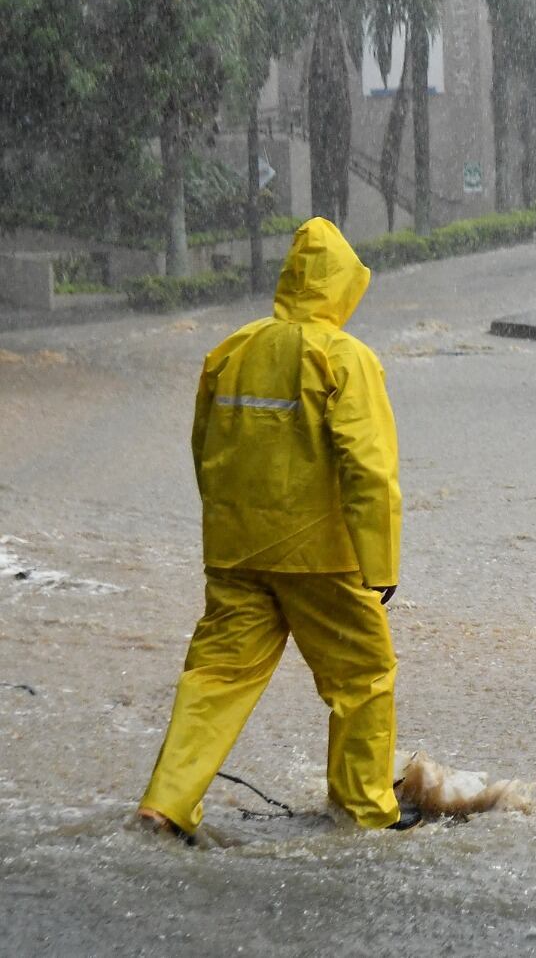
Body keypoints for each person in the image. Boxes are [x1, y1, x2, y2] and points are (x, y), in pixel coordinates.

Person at [136, 217, 418, 839]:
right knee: (363, 679)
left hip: (237, 553)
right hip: (322, 559)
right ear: (344, 287)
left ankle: (165, 804)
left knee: (215, 679)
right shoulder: (345, 357)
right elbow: (369, 467)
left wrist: (228, 528)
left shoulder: (232, 349)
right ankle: (365, 812)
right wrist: (382, 565)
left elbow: (204, 447)